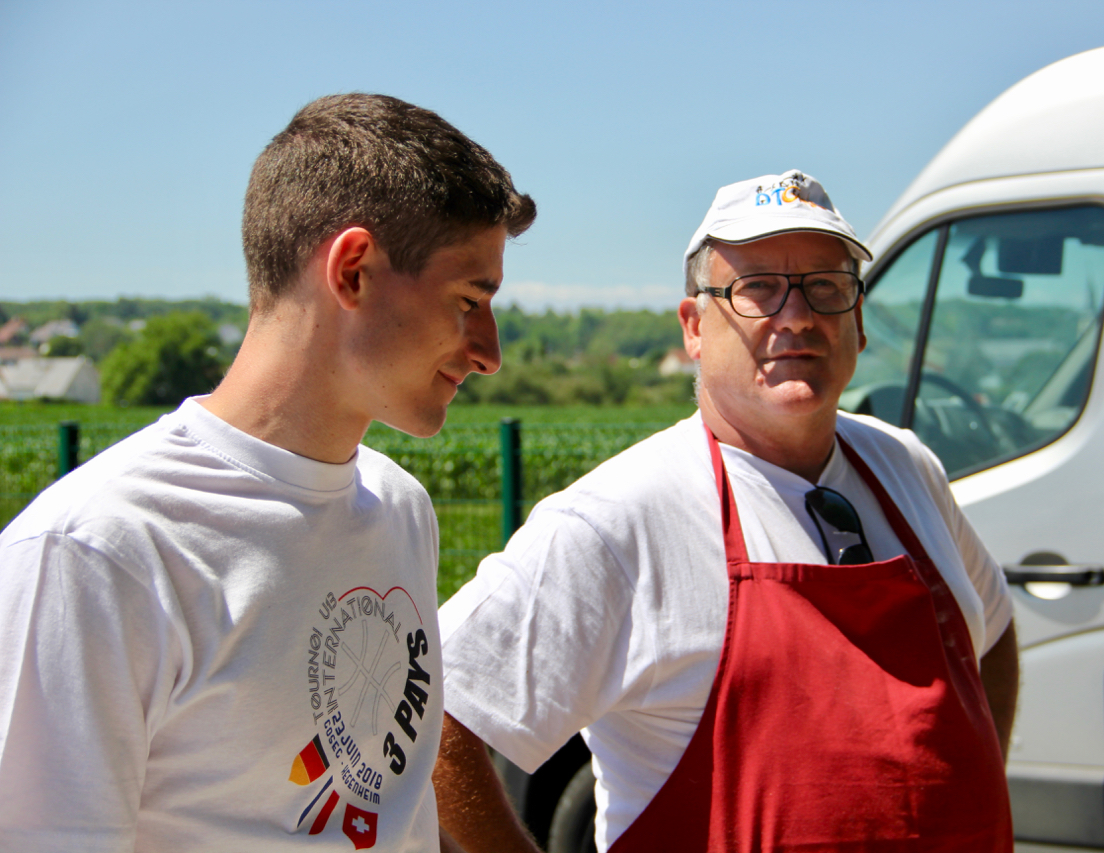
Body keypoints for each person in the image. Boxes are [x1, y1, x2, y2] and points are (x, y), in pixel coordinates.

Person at [0, 93, 535, 851]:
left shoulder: (399, 507)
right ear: (352, 270)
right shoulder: (96, 553)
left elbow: (392, 813)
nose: (489, 352)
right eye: (469, 300)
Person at [433, 170, 1018, 852]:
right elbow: (440, 716)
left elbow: (995, 630)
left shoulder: (907, 466)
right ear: (694, 328)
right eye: (757, 288)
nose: (796, 316)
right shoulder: (620, 518)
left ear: (858, 322)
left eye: (827, 287)